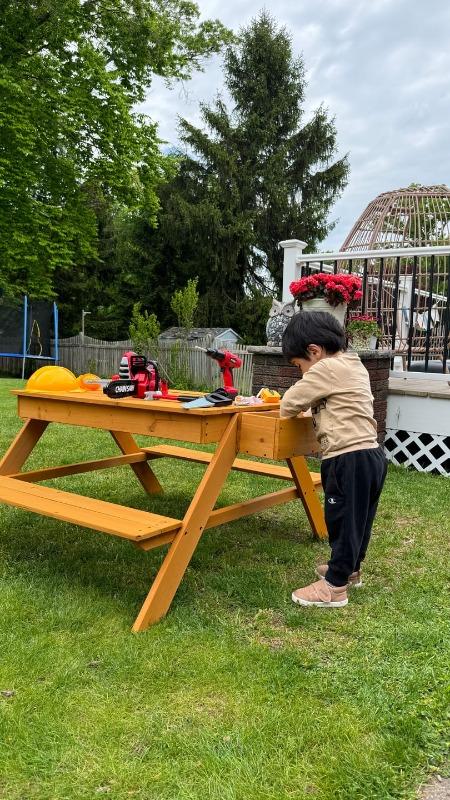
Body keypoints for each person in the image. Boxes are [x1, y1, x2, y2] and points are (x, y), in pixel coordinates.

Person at [280, 311, 387, 608]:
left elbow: (289, 403)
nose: (302, 372)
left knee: (341, 522)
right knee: (358, 522)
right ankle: (350, 570)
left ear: (314, 351)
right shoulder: (354, 365)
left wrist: (297, 399)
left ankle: (334, 587)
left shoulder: (324, 369)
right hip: (372, 455)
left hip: (346, 458)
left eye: (299, 365)